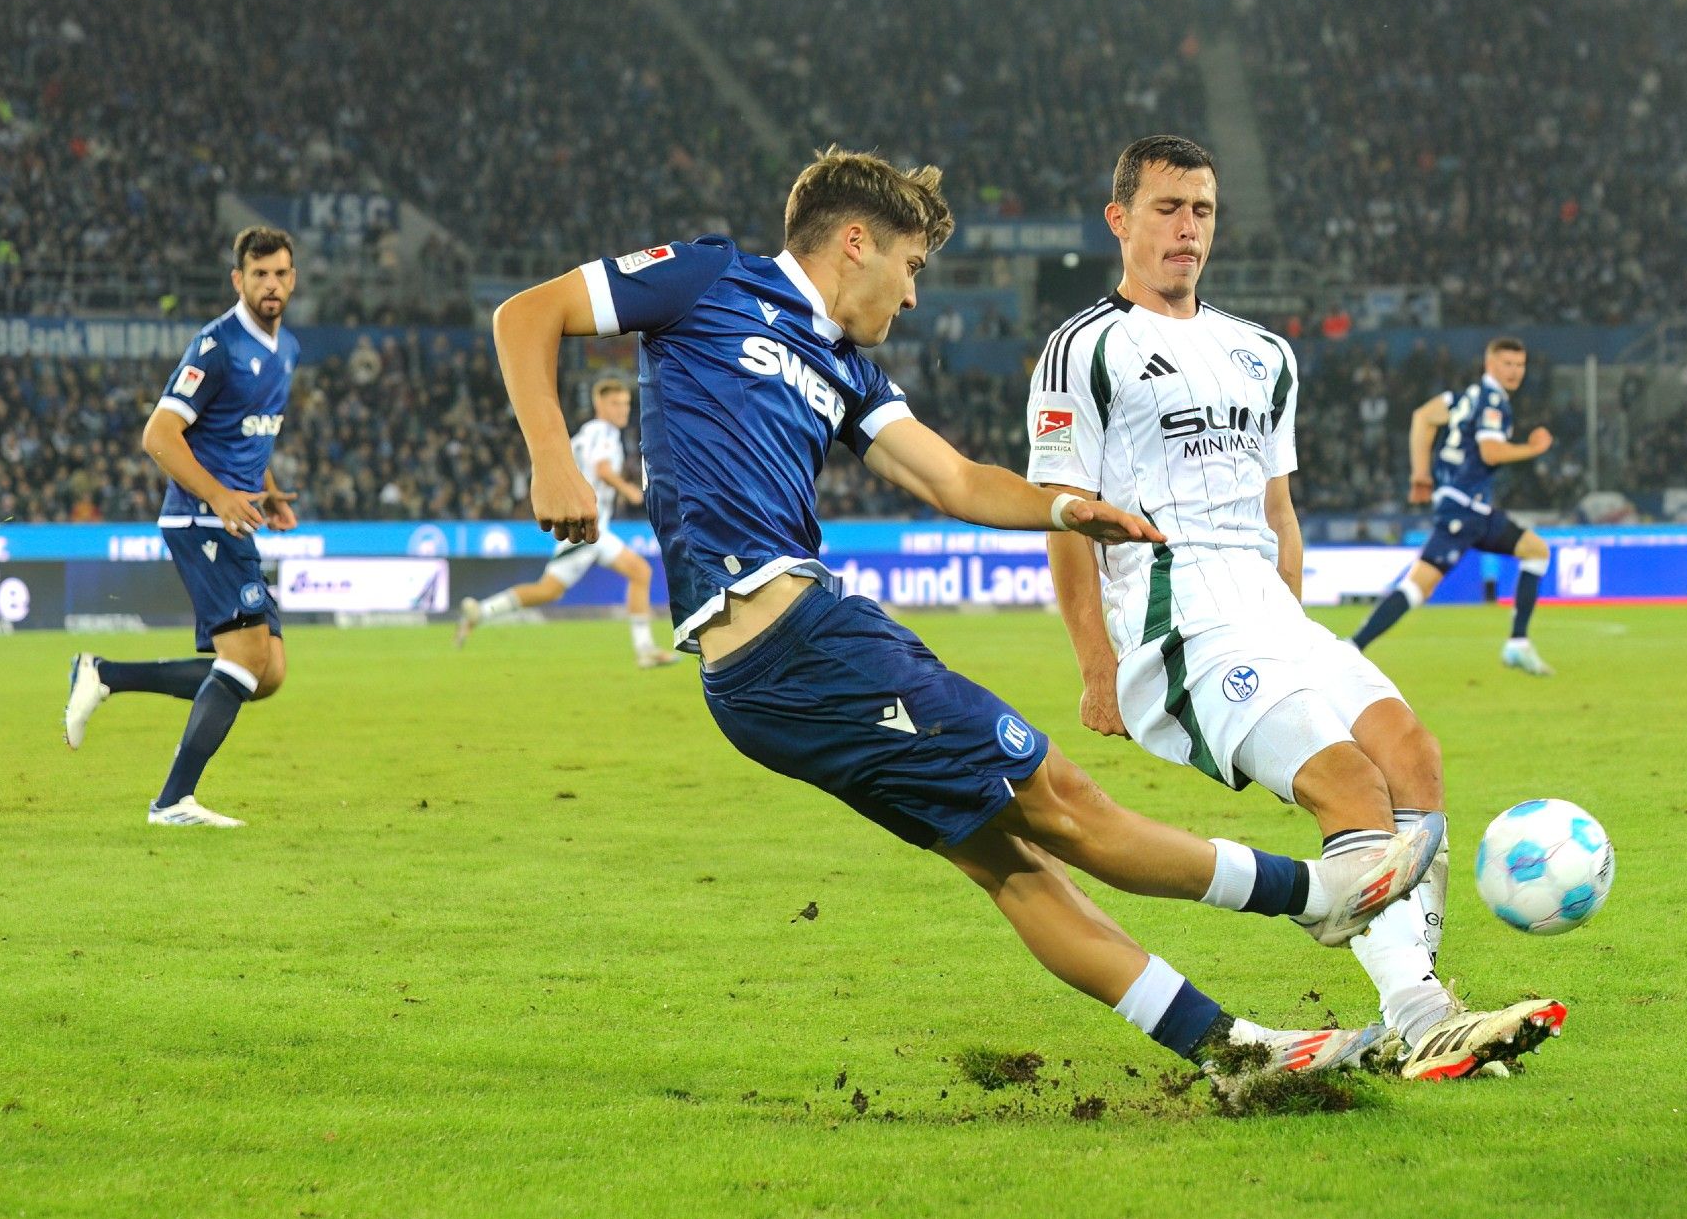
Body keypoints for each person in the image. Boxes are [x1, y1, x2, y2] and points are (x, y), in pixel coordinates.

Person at [490, 147, 1444, 1100]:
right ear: (855, 242)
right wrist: (552, 459)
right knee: (1064, 801)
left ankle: (1227, 1048)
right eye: (910, 267)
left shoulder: (847, 371)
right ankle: (1319, 895)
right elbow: (526, 313)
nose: (911, 299)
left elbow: (953, 479)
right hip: (798, 642)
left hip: (774, 669)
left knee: (1013, 864)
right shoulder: (711, 279)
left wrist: (1068, 508)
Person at [1030, 136, 1564, 1080]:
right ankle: (1422, 1014)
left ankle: (1422, 1002)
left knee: (1412, 753)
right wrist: (1094, 662)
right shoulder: (1086, 349)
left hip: (1272, 613)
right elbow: (1064, 518)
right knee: (1350, 783)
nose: (1186, 228)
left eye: (1201, 209)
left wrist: (1298, 631)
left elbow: (1280, 511)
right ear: (1120, 219)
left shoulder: (1264, 354)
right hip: (1176, 619)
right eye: (1165, 208)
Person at [64, 228, 302, 827]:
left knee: (265, 672)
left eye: (279, 273)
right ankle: (172, 801)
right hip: (201, 517)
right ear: (237, 280)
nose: (270, 284)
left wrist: (267, 493)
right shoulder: (216, 346)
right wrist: (221, 495)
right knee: (246, 660)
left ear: (292, 278)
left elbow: (249, 432)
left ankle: (104, 674)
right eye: (258, 274)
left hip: (235, 517)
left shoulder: (287, 349)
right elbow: (158, 436)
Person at [1351, 337, 1557, 675]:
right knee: (1418, 586)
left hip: (1471, 509)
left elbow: (1423, 417)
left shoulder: (1463, 398)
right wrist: (1532, 449)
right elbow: (1491, 451)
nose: (1515, 371)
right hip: (1464, 508)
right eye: (1507, 364)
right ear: (1490, 365)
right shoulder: (1493, 401)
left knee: (1536, 550)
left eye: (1520, 365)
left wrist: (1421, 474)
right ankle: (1353, 647)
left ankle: (1518, 643)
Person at [455, 377, 679, 666]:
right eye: (615, 403)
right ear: (599, 404)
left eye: (625, 403)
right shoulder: (604, 432)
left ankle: (646, 650)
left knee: (639, 572)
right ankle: (482, 612)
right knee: (548, 590)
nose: (623, 410)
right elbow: (602, 468)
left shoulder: (586, 433)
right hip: (588, 529)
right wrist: (629, 490)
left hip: (597, 528)